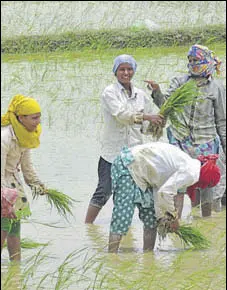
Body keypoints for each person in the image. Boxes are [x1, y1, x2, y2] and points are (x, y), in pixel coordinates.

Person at [145, 44, 226, 217]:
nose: (192, 64)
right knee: (180, 184)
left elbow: (222, 121)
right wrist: (157, 91)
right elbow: (165, 106)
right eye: (190, 60)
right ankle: (177, 223)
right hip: (181, 141)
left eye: (196, 60)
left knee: (205, 185)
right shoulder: (180, 83)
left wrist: (224, 147)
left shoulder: (217, 88)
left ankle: (205, 221)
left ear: (206, 61)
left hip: (206, 143)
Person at [85, 54, 165, 223]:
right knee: (104, 190)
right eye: (122, 69)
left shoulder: (140, 95)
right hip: (112, 153)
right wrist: (148, 117)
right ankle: (87, 226)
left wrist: (158, 120)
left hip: (135, 154)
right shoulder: (109, 92)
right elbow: (121, 115)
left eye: (129, 69)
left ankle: (123, 227)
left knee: (132, 192)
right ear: (115, 72)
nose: (126, 73)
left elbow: (145, 128)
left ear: (134, 71)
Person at [108, 142, 221, 253]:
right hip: (128, 165)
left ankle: (148, 259)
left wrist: (162, 218)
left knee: (151, 221)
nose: (203, 188)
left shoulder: (190, 165)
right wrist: (173, 218)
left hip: (144, 174)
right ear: (205, 179)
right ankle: (111, 258)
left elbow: (160, 189)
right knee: (122, 217)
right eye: (207, 185)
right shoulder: (191, 173)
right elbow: (165, 192)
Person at [1, 94, 47, 261]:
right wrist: (4, 200)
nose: (38, 122)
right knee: (3, 226)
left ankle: (15, 272)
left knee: (14, 228)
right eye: (34, 118)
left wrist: (36, 184)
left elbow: (27, 166)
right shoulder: (4, 138)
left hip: (13, 184)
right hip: (3, 186)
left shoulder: (25, 135)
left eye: (39, 117)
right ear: (21, 118)